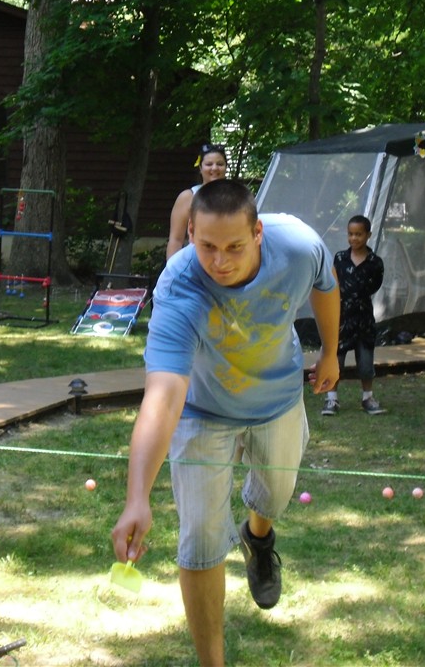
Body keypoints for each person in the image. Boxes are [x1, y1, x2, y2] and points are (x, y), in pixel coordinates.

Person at [111, 179, 339, 667]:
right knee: (198, 542)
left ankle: (258, 535)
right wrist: (137, 498)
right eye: (207, 246)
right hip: (203, 411)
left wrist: (331, 351)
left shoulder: (298, 247)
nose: (220, 261)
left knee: (275, 497)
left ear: (258, 233)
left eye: (234, 246)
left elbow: (327, 283)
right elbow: (162, 397)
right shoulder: (179, 286)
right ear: (190, 233)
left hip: (277, 400)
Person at [322, 215, 385, 415]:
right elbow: (333, 282)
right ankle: (331, 399)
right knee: (336, 360)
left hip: (364, 320)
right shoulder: (340, 258)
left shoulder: (375, 262)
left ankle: (368, 398)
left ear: (368, 235)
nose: (354, 238)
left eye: (358, 234)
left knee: (365, 363)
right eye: (350, 234)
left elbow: (375, 285)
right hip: (341, 318)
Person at [166, 143, 228, 259]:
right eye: (209, 164)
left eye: (220, 164)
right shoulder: (188, 197)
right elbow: (176, 239)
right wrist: (172, 268)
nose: (214, 168)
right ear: (200, 168)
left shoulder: (236, 196)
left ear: (225, 167)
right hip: (197, 261)